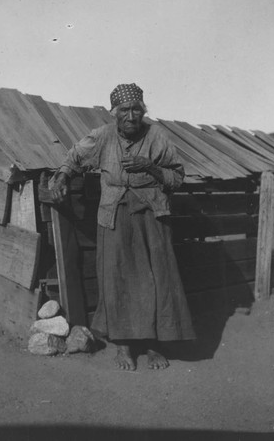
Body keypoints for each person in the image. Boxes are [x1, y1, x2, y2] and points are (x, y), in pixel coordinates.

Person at [51, 83, 195, 371]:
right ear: (114, 113)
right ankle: (124, 347)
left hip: (151, 218)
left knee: (156, 281)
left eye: (136, 110)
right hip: (114, 217)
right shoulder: (103, 136)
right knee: (117, 281)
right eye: (125, 110)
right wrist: (63, 177)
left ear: (143, 111)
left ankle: (154, 346)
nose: (131, 116)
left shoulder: (157, 136)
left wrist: (150, 167)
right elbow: (75, 156)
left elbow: (177, 177)